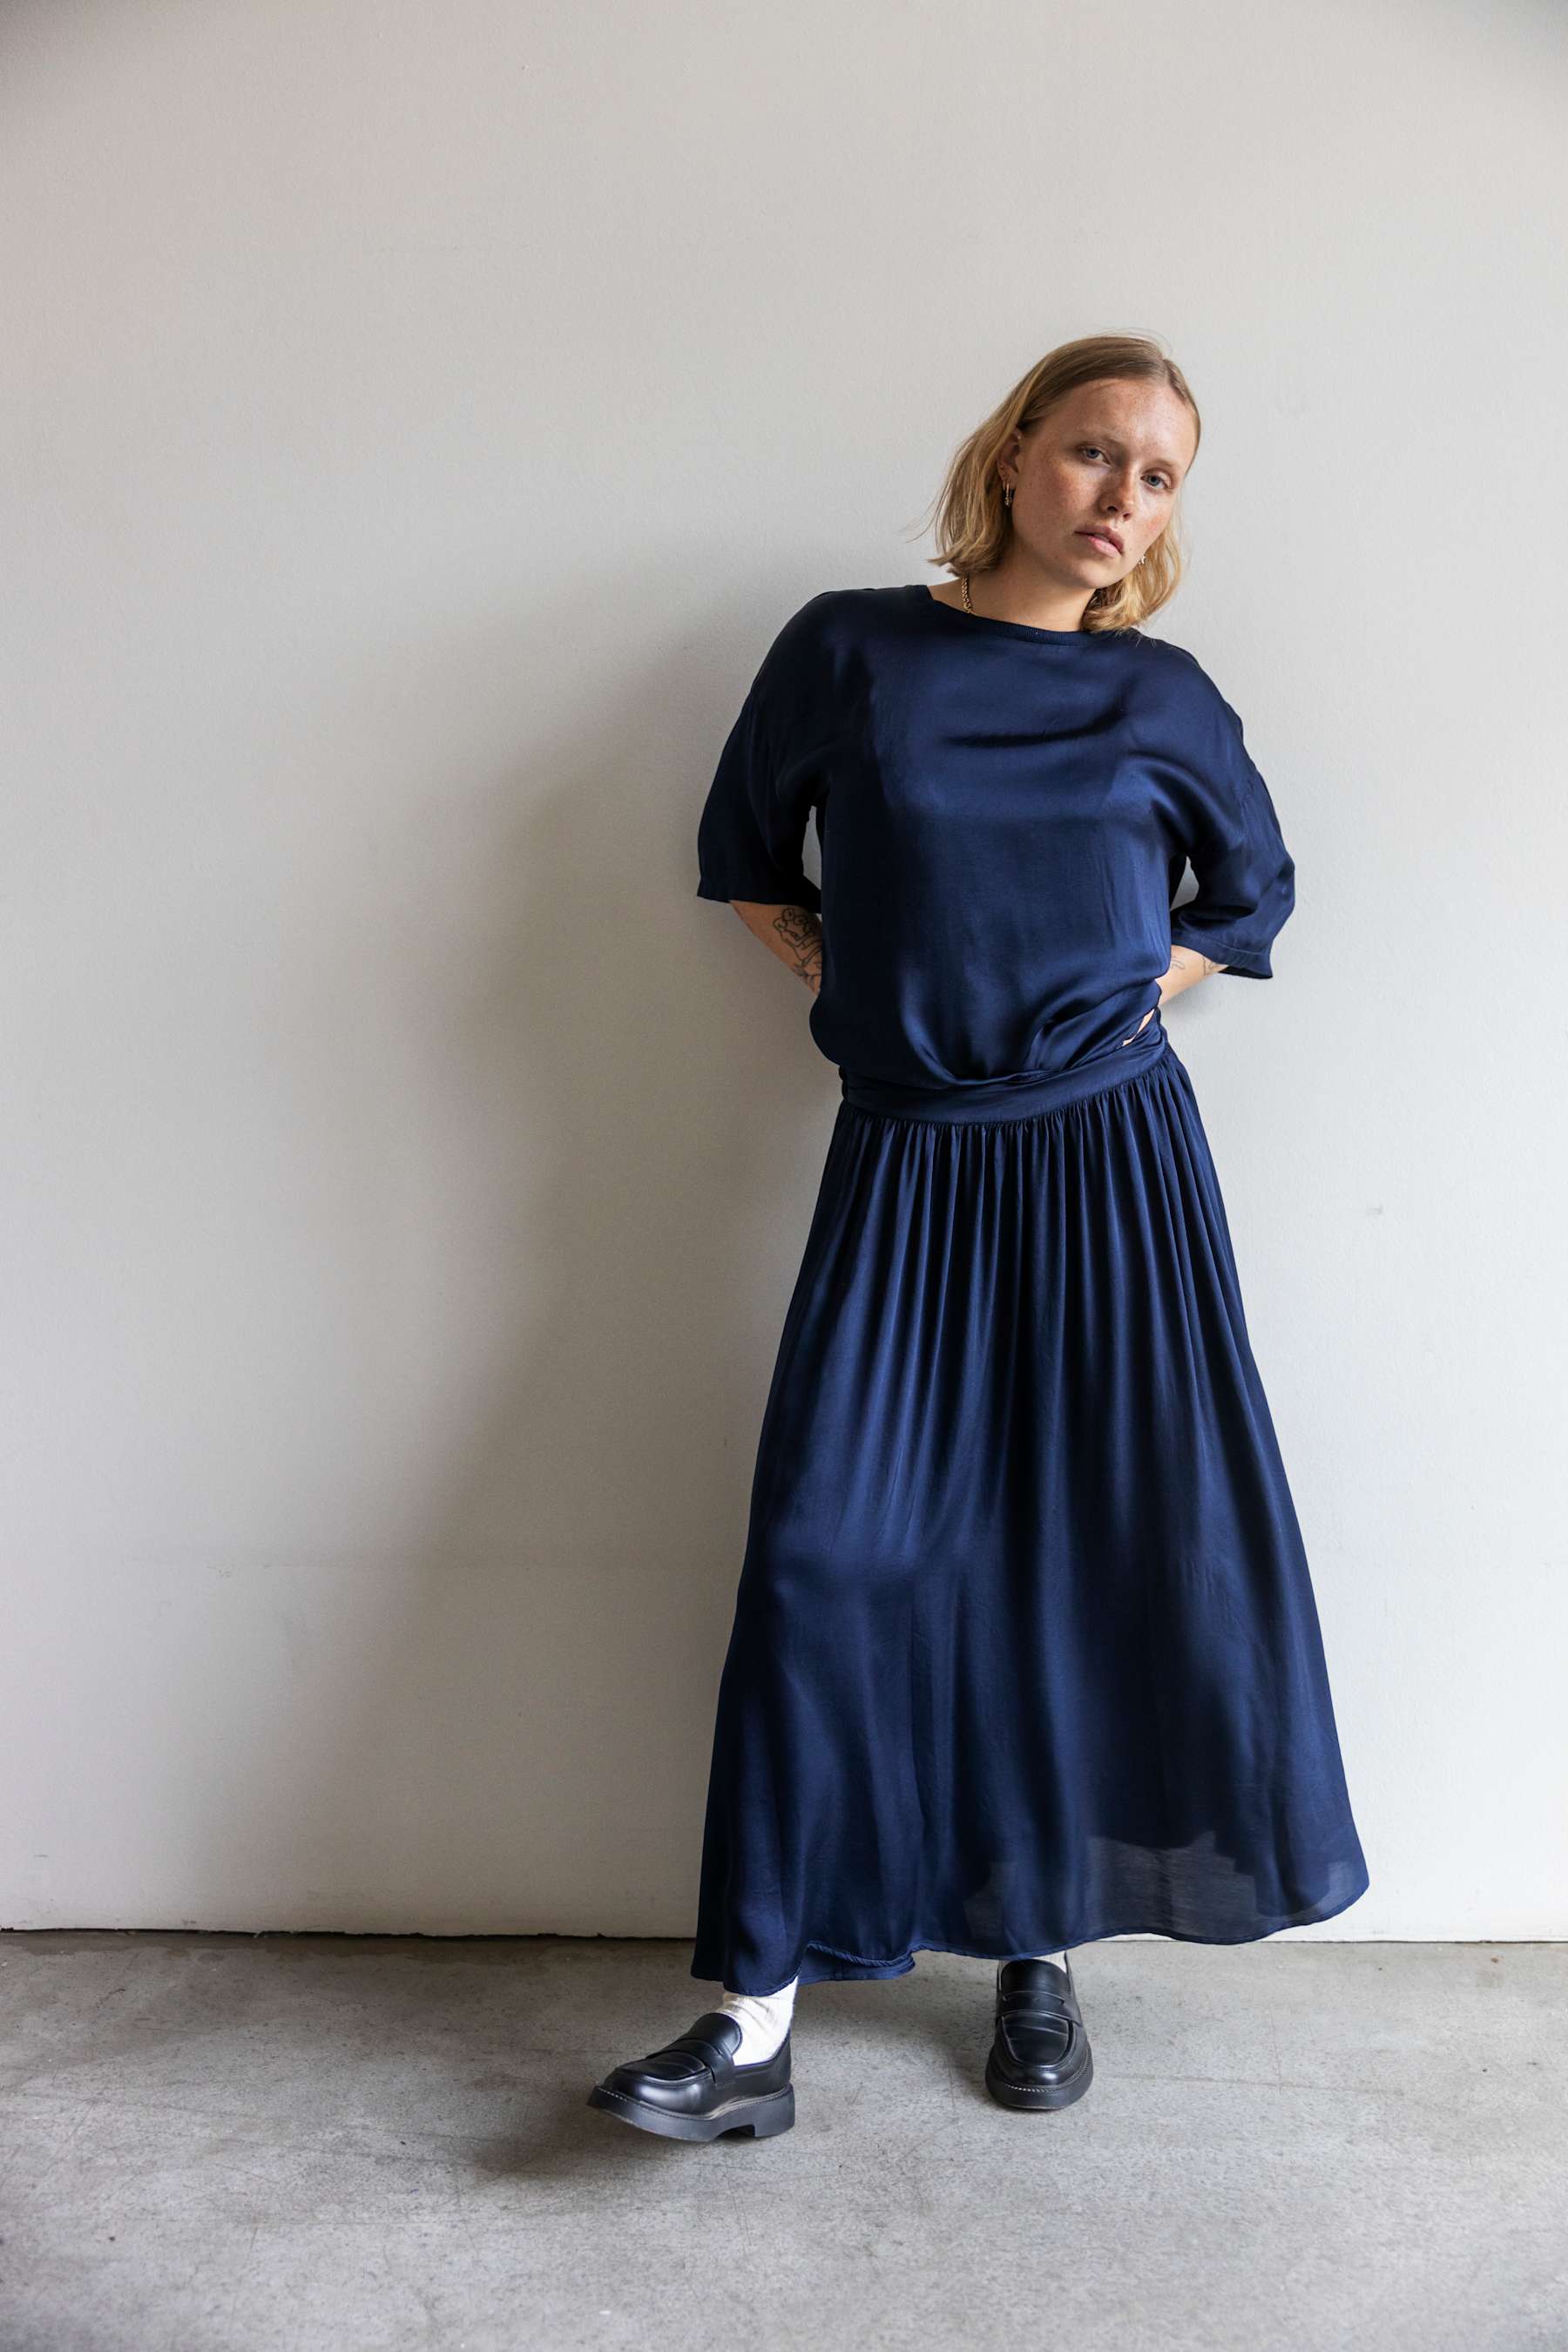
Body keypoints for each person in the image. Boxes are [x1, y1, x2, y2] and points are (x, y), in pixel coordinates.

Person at [586, 334, 1370, 2145]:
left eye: (1159, 478)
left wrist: (1127, 1001)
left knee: (1084, 1554)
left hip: (1110, 1166)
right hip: (910, 1162)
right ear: (1015, 453)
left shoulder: (1163, 697)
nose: (1122, 500)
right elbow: (750, 861)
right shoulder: (851, 651)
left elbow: (1251, 895)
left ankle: (1040, 1950)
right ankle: (752, 2029)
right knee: (826, 1564)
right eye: (1095, 454)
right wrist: (851, 984)